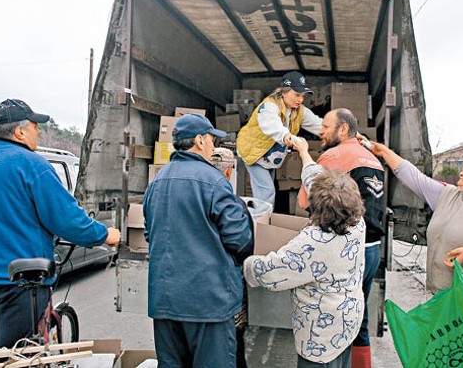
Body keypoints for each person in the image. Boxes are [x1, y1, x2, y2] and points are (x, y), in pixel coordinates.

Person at [0, 98, 121, 366]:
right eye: (35, 126)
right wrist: (106, 235)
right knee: (20, 358)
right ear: (19, 131)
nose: (39, 131)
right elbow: (68, 221)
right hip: (19, 282)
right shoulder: (33, 165)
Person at [367, 142, 463, 352]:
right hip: (449, 301)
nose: (461, 173)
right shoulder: (447, 195)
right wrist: (384, 151)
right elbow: (415, 178)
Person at [143, 114, 254, 367]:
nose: (214, 147)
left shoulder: (156, 181)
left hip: (165, 300)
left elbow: (151, 234)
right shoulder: (214, 181)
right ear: (200, 140)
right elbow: (240, 239)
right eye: (212, 140)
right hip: (208, 303)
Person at [244, 166, 366, 367]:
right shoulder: (357, 224)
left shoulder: (312, 243)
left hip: (319, 339)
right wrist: (303, 153)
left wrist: (244, 261)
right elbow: (318, 180)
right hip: (347, 322)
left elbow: (269, 273)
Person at [296, 108, 384, 367]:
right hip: (372, 248)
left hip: (346, 251)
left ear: (343, 129)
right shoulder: (372, 159)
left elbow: (305, 200)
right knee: (360, 317)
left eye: (325, 126)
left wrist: (304, 156)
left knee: (333, 320)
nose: (320, 131)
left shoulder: (334, 155)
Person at [236, 71, 322, 207]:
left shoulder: (299, 110)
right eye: (297, 95)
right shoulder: (269, 106)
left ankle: (262, 221)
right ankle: (261, 225)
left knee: (265, 194)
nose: (300, 99)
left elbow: (319, 125)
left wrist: (347, 133)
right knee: (266, 193)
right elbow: (272, 125)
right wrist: (287, 136)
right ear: (284, 92)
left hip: (269, 156)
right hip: (254, 152)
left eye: (303, 96)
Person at [210, 147, 251, 368]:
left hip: (198, 292)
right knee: (233, 342)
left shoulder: (196, 196)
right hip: (227, 288)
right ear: (228, 172)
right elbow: (244, 245)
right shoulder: (233, 203)